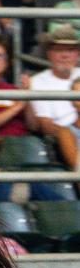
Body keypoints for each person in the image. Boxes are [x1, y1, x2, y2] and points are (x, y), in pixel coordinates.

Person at [29, 24, 80, 170]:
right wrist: (71, 132)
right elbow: (46, 126)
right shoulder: (37, 82)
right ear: (49, 53)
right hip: (64, 141)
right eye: (59, 50)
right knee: (66, 133)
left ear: (77, 54)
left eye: (70, 50)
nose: (65, 55)